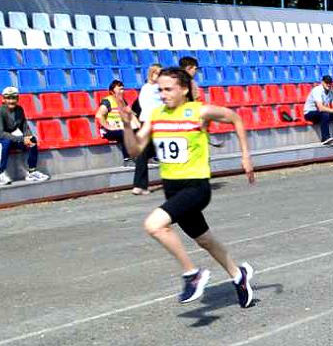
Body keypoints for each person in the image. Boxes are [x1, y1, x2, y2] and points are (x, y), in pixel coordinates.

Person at [120, 67, 257, 307]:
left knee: (154, 225)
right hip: (171, 188)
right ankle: (239, 276)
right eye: (160, 89)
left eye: (168, 89)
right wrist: (126, 127)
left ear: (184, 89)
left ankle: (192, 274)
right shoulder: (155, 116)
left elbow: (235, 118)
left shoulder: (199, 112)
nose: (163, 94)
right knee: (205, 241)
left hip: (195, 188)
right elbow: (134, 151)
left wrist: (245, 155)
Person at [0, 86, 50, 185]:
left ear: (17, 99)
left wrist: (28, 137)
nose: (11, 101)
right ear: (3, 99)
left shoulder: (19, 110)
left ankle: (32, 172)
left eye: (14, 98)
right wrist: (21, 139)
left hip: (5, 139)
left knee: (33, 140)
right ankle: (0, 174)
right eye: (8, 98)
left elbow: (24, 128)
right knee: (4, 143)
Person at [130, 64, 164, 195]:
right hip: (156, 122)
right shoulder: (158, 88)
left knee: (143, 155)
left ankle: (139, 185)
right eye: (157, 73)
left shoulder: (144, 88)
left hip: (145, 121)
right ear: (152, 74)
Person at [95, 79, 138, 165]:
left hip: (119, 128)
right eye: (119, 89)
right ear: (112, 91)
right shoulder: (108, 101)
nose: (122, 91)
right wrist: (109, 127)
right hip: (108, 131)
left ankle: (148, 157)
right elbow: (99, 115)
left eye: (123, 89)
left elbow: (131, 115)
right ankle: (127, 160)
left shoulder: (123, 102)